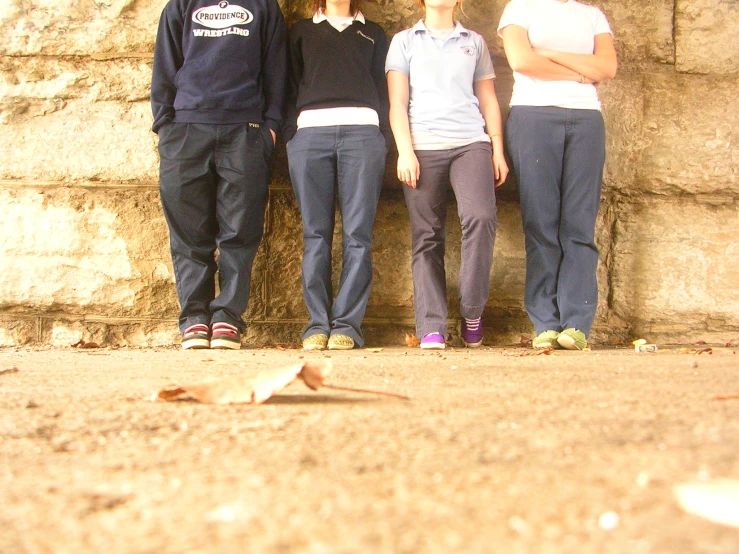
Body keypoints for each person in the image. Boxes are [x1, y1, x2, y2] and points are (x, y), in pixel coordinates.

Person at [151, 0, 287, 350]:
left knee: (240, 231)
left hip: (245, 130)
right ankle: (194, 317)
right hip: (185, 131)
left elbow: (276, 70)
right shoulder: (180, 6)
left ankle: (227, 316)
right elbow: (165, 67)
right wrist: (166, 125)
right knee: (188, 232)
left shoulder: (263, 7)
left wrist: (269, 128)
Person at [386, 0, 508, 350]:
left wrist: (497, 148)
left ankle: (472, 311)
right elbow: (397, 102)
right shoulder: (404, 41)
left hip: (471, 143)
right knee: (427, 236)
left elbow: (488, 100)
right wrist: (405, 150)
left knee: (482, 218)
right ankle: (431, 325)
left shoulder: (475, 41)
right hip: (422, 147)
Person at [498, 0, 617, 350]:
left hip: (586, 119)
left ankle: (576, 324)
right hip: (532, 117)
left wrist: (548, 54)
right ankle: (546, 323)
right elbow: (521, 61)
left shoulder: (593, 15)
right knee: (540, 223)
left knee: (579, 224)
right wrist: (582, 71)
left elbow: (607, 67)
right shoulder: (519, 8)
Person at [284, 0, 389, 351]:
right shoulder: (300, 31)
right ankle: (317, 324)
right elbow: (287, 84)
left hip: (363, 135)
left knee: (358, 235)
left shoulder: (373, 33)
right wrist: (291, 133)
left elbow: (384, 88)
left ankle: (346, 325)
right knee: (316, 234)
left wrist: (381, 134)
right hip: (309, 136)